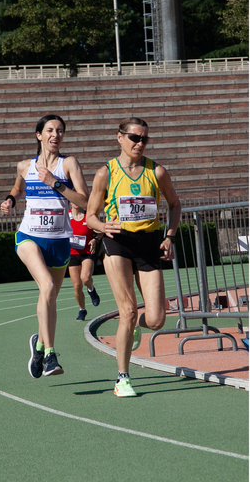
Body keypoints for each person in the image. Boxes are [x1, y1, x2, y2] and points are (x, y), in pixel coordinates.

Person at [85, 116, 181, 398]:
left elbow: (175, 205)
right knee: (127, 311)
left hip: (149, 242)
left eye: (144, 139)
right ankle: (123, 378)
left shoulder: (157, 171)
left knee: (156, 319)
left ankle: (134, 327)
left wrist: (170, 236)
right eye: (134, 138)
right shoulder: (106, 173)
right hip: (118, 243)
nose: (140, 143)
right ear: (119, 137)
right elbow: (90, 215)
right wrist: (103, 227)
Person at [1, 114, 89, 376]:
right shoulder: (24, 166)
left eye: (60, 130)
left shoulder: (69, 164)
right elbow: (18, 189)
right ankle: (50, 355)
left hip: (60, 241)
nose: (56, 135)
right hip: (29, 237)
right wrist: (10, 200)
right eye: (50, 130)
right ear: (39, 135)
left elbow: (84, 202)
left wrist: (55, 183)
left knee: (49, 299)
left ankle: (38, 344)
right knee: (47, 286)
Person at [67, 202, 101, 320]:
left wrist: (95, 240)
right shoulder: (66, 216)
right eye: (73, 199)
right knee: (77, 286)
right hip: (72, 254)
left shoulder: (89, 217)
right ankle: (82, 310)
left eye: (78, 199)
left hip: (87, 253)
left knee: (85, 278)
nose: (76, 202)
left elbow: (101, 230)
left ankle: (91, 289)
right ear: (70, 201)